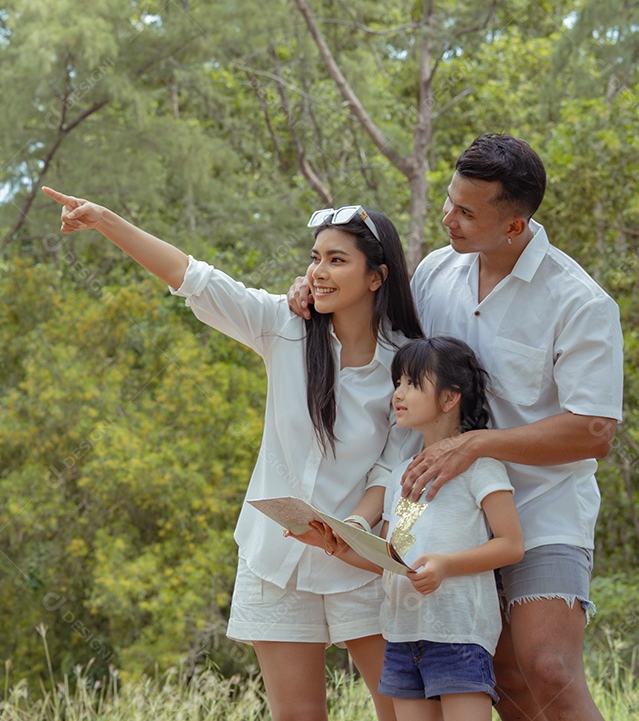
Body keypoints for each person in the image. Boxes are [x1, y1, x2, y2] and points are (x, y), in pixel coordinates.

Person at [42, 185, 424, 721]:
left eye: (338, 260)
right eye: (315, 258)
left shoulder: (406, 362)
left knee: (406, 716)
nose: (319, 271)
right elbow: (193, 277)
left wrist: (350, 529)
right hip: (276, 559)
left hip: (358, 563)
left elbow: (393, 462)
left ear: (376, 276)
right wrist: (106, 220)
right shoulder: (283, 325)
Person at [287, 134, 623, 721]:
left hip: (544, 508)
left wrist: (475, 445)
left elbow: (594, 430)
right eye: (449, 200)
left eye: (467, 212)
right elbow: (381, 338)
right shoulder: (437, 272)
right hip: (444, 509)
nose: (449, 218)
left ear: (515, 226)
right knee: (501, 676)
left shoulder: (579, 302)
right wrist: (312, 291)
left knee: (548, 667)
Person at [289, 335, 524, 721]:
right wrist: (329, 543)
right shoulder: (400, 475)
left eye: (413, 383)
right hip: (400, 637)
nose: (398, 393)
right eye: (398, 382)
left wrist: (446, 565)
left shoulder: (481, 466)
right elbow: (393, 559)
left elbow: (512, 544)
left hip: (459, 635)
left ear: (450, 398)